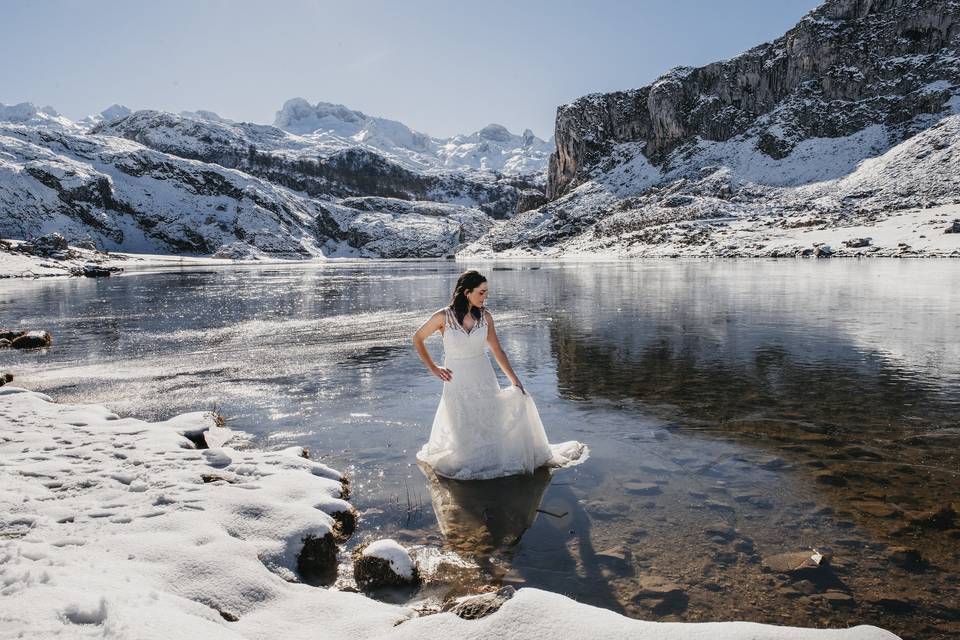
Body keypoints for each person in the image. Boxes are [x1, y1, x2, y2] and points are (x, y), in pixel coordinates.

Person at [412, 269, 587, 480]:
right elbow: (417, 338)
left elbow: (497, 351)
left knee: (488, 419)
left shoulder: (485, 317)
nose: (485, 296)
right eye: (481, 292)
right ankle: (467, 459)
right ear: (466, 292)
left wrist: (515, 380)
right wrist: (434, 368)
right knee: (462, 422)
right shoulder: (443, 317)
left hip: (483, 374)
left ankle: (490, 458)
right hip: (456, 379)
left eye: (486, 292)